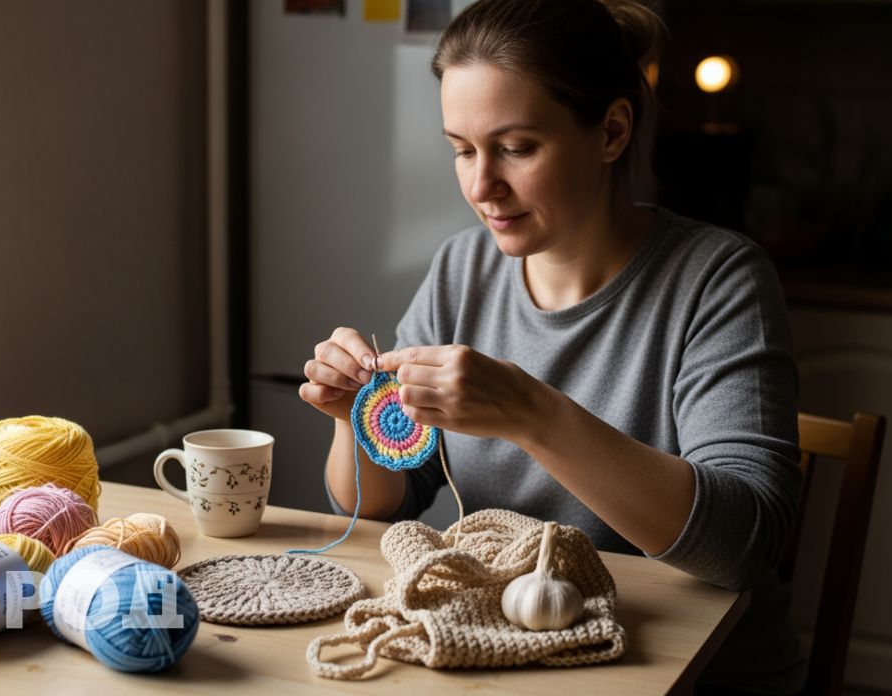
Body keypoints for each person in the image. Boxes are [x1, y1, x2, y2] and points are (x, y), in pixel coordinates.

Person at [297, 0, 805, 692]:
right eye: (462, 150)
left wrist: (534, 415)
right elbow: (392, 496)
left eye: (516, 148)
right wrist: (354, 417)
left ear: (612, 131)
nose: (482, 186)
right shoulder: (462, 269)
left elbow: (743, 544)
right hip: (510, 660)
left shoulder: (719, 280)